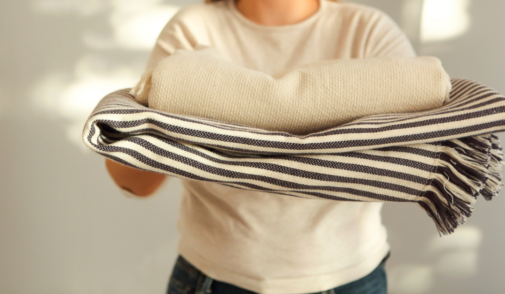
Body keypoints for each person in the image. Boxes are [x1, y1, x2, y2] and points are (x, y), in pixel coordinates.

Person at [105, 0, 416, 293]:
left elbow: (412, 162)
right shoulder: (192, 29)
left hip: (350, 277)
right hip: (212, 277)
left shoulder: (370, 33)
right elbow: (135, 180)